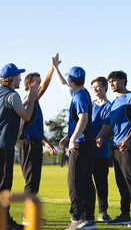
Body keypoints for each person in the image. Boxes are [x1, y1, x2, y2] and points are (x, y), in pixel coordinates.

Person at [0, 63, 40, 230]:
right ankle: (3, 221)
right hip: (3, 143)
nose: (20, 78)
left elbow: (13, 107)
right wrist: (31, 96)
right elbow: (27, 115)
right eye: (18, 76)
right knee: (4, 184)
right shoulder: (12, 95)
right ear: (11, 79)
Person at [96, 71, 131, 228]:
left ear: (123, 81)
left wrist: (128, 140)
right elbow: (109, 126)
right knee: (121, 182)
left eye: (114, 81)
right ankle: (125, 215)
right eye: (110, 81)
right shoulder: (113, 103)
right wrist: (101, 137)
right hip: (115, 146)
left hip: (127, 145)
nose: (111, 84)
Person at [52, 53, 97, 230]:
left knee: (74, 182)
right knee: (85, 181)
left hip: (80, 145)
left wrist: (72, 139)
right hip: (88, 142)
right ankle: (89, 219)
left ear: (72, 79)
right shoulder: (82, 92)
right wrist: (56, 68)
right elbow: (62, 84)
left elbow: (83, 119)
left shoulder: (78, 97)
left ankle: (77, 218)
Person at [18, 66, 57, 226]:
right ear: (29, 85)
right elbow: (46, 86)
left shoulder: (34, 102)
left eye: (40, 82)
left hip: (35, 144)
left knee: (35, 182)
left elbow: (37, 130)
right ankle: (28, 217)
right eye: (37, 83)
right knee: (31, 182)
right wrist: (53, 68)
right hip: (28, 145)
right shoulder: (27, 101)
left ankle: (31, 214)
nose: (40, 85)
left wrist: (47, 143)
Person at [90, 77, 112, 222]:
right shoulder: (90, 105)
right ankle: (86, 212)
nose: (95, 89)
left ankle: (102, 212)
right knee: (85, 183)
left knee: (101, 184)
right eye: (93, 87)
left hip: (101, 152)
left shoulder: (109, 106)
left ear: (105, 88)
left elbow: (107, 127)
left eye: (97, 86)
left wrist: (98, 138)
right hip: (87, 150)